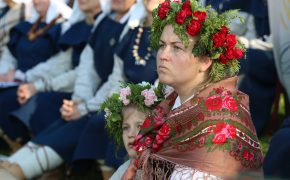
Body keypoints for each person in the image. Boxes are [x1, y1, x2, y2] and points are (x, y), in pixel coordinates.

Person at [0, 0, 143, 179]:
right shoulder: (104, 22)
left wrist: (84, 106)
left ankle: (25, 168)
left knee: (86, 120)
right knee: (65, 116)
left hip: (112, 99)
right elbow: (87, 68)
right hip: (94, 96)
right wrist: (79, 100)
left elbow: (116, 81)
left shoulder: (132, 27)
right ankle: (18, 161)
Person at [122, 0, 264, 179]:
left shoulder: (219, 124)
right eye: (161, 45)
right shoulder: (170, 102)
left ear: (205, 61)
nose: (163, 56)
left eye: (177, 47)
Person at [67, 0, 162, 178]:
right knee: (104, 120)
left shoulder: (171, 33)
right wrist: (113, 105)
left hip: (156, 104)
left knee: (129, 123)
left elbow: (166, 81)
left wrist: (138, 104)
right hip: (126, 101)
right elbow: (116, 78)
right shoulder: (135, 28)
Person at [0, 0, 106, 152]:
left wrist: (30, 82)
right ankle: (27, 151)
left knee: (39, 101)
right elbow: (62, 63)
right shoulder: (78, 26)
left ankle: (37, 153)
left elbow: (83, 71)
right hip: (66, 84)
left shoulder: (69, 25)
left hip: (90, 91)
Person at [0, 0, 71, 149]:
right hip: (15, 80)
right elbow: (10, 54)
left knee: (7, 99)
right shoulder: (29, 25)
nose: (35, 0)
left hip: (40, 82)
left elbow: (58, 65)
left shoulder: (63, 26)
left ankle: (22, 145)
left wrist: (23, 76)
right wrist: (5, 73)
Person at [99, 82, 165, 179]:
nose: (130, 134)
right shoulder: (123, 170)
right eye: (125, 128)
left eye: (139, 126)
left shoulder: (163, 170)